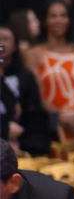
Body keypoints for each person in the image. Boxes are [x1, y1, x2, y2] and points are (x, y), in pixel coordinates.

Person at [24, 0, 74, 144]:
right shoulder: (34, 54)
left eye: (63, 15)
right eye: (53, 16)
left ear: (69, 20)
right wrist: (63, 119)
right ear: (45, 21)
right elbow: (37, 94)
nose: (58, 20)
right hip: (53, 128)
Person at [1, 27, 50, 155]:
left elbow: (34, 113)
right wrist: (4, 129)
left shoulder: (25, 76)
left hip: (22, 143)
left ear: (15, 46)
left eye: (6, 40)